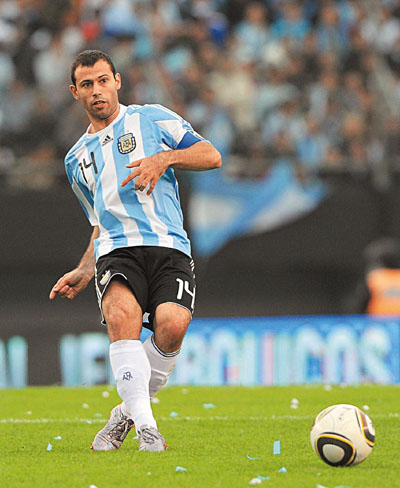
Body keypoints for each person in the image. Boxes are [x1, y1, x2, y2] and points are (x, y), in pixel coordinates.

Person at [49, 49, 221, 452]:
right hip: (116, 250)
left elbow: (211, 155)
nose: (97, 90)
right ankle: (147, 429)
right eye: (87, 84)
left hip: (168, 245)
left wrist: (164, 159)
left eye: (103, 80)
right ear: (75, 92)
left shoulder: (151, 118)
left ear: (117, 81)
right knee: (121, 317)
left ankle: (123, 415)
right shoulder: (76, 160)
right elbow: (98, 222)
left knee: (172, 325)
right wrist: (85, 268)